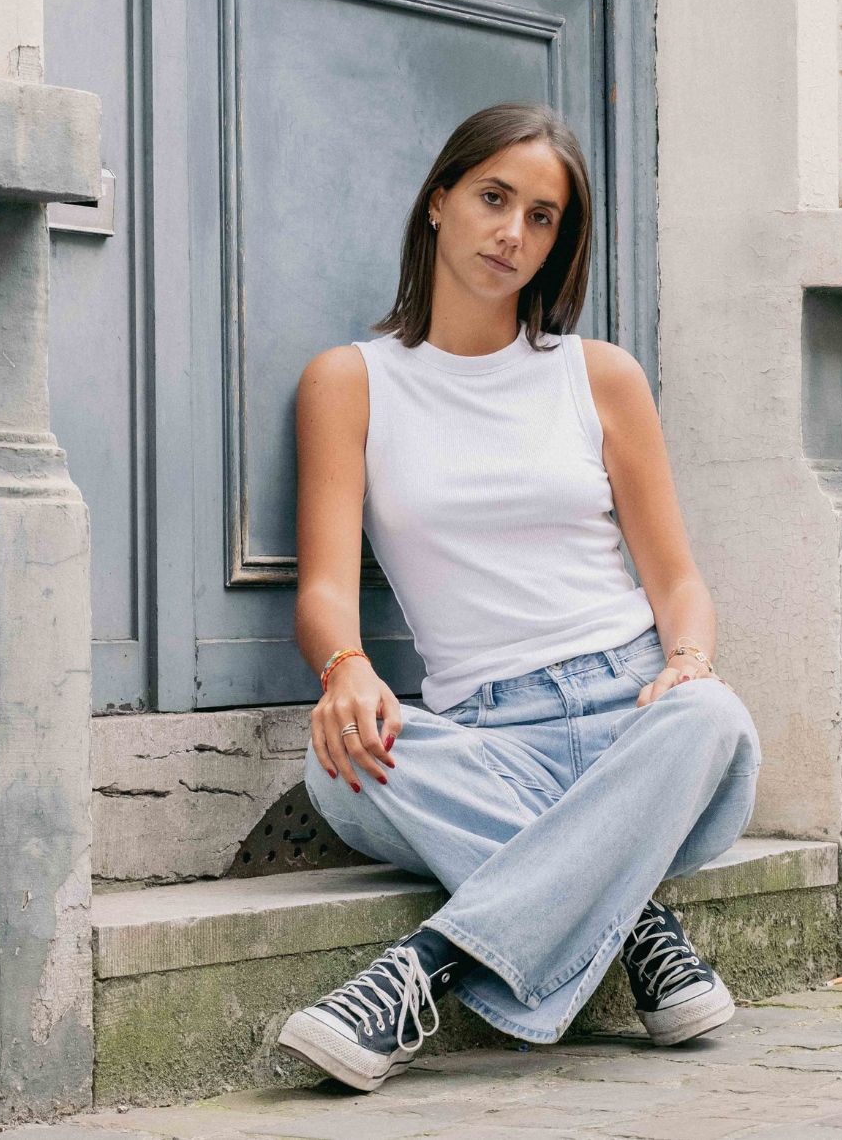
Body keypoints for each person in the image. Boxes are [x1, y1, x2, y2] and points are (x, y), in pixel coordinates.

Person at [277, 101, 761, 1092]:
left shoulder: (599, 377)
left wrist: (687, 662)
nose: (513, 233)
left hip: (639, 722)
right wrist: (348, 668)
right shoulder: (350, 381)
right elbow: (324, 587)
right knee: (340, 770)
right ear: (440, 200)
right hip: (489, 738)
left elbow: (678, 582)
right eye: (495, 198)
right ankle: (634, 926)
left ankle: (423, 968)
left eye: (543, 217)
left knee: (711, 715)